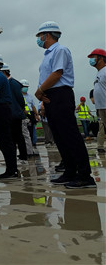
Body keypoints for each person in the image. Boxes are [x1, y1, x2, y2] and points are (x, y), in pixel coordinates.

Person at [34, 21, 95, 189]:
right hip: (51, 96)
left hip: (61, 94)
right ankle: (70, 171)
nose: (38, 39)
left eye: (40, 36)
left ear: (47, 35)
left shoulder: (60, 50)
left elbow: (57, 74)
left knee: (70, 136)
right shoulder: (47, 54)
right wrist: (42, 98)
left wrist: (40, 91)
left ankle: (85, 176)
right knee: (60, 137)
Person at [1, 64, 29, 162]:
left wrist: (20, 109)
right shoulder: (8, 82)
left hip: (15, 113)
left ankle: (23, 155)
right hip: (10, 113)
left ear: (4, 72)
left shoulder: (13, 83)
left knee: (18, 136)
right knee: (13, 136)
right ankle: (16, 155)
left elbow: (20, 98)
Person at [88, 48, 106, 153]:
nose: (91, 60)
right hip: (100, 107)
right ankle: (100, 146)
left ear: (101, 58)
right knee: (102, 128)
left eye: (93, 57)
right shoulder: (99, 73)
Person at [20, 79, 40, 156]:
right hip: (23, 115)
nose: (26, 88)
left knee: (31, 132)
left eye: (27, 87)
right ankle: (26, 150)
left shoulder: (30, 96)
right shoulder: (19, 96)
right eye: (24, 86)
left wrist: (36, 115)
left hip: (30, 115)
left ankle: (32, 148)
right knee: (24, 134)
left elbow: (33, 106)